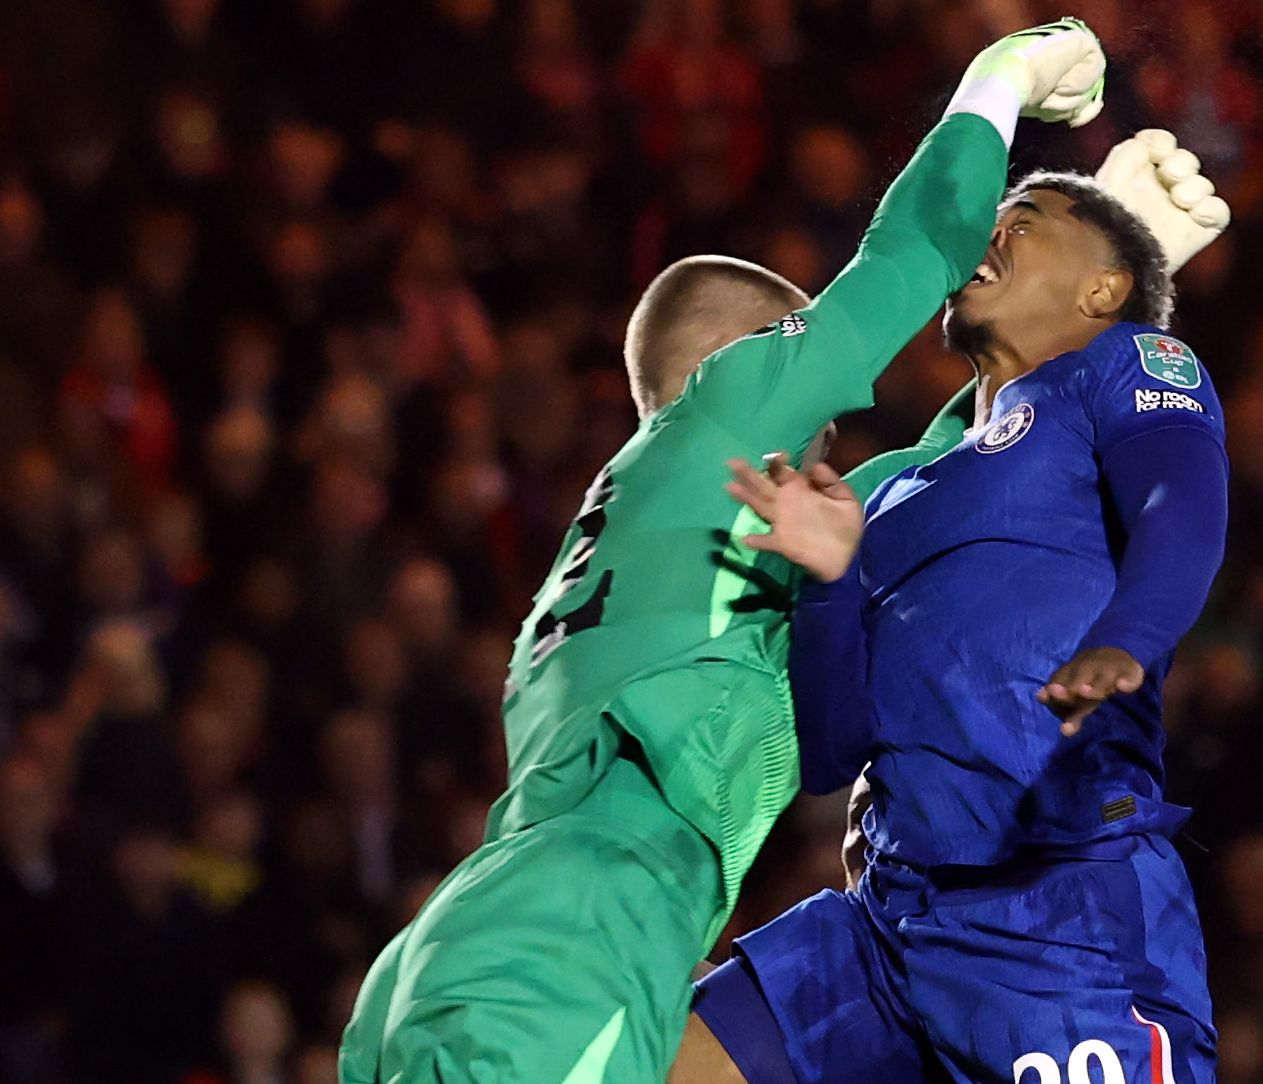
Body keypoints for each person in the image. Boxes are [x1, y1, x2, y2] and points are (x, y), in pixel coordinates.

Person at [336, 21, 1111, 1083]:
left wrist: (1100, 305)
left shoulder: (672, 548)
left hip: (509, 952)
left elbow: (933, 487)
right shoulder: (730, 413)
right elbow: (911, 257)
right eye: (824, 422)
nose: (833, 447)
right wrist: (1004, 78)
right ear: (738, 364)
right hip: (569, 955)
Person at [677, 159, 1233, 1082]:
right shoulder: (893, 495)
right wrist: (827, 581)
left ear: (1104, 287)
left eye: (1026, 220)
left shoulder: (1125, 366)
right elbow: (829, 752)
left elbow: (1185, 503)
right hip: (886, 924)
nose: (989, 235)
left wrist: (1131, 635)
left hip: (1060, 924)